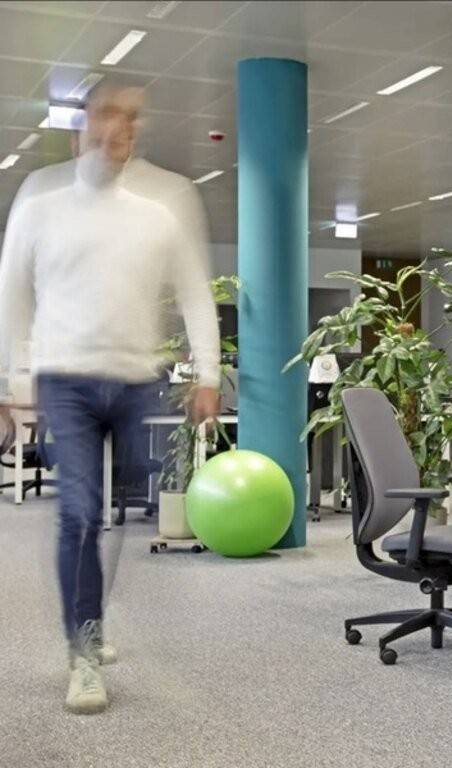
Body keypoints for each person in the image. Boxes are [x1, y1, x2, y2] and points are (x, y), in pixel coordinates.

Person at [0, 82, 221, 714]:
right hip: (65, 379)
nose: (116, 128)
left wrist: (208, 375)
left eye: (129, 119)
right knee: (79, 513)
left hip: (133, 382)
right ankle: (83, 651)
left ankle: (89, 623)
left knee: (119, 512)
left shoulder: (159, 211)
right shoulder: (41, 202)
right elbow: (13, 292)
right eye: (104, 115)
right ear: (81, 129)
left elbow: (195, 290)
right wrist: (10, 382)